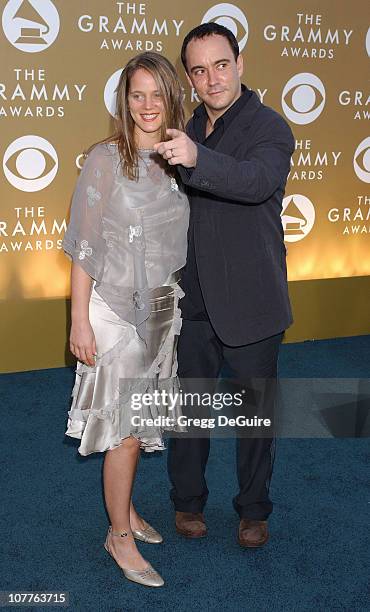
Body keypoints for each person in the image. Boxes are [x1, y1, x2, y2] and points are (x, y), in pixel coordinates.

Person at [154, 23, 295, 547]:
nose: (211, 78)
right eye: (199, 69)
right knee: (189, 408)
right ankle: (186, 503)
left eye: (220, 64)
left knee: (256, 415)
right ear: (190, 78)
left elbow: (256, 182)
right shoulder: (185, 127)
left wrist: (197, 158)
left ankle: (253, 510)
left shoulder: (270, 127)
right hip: (193, 300)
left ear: (239, 64)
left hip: (254, 303)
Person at [62, 52, 189, 587]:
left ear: (171, 98)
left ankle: (128, 511)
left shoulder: (179, 155)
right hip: (112, 310)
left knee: (139, 426)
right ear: (124, 100)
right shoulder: (103, 159)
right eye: (137, 94)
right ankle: (118, 536)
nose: (147, 105)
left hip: (159, 307)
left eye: (157, 94)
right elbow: (84, 246)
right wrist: (79, 322)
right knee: (125, 430)